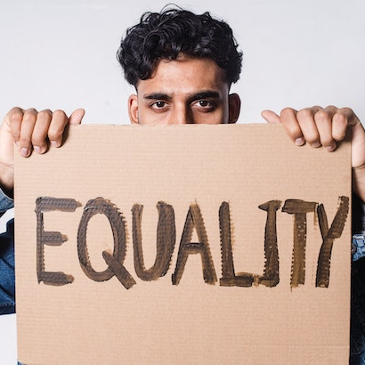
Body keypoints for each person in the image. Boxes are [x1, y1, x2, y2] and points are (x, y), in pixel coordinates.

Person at [1, 7, 365, 364]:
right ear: (134, 112)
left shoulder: (284, 218)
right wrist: (4, 178)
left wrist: (362, 180)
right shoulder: (87, 223)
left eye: (204, 103)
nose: (182, 125)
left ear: (232, 109)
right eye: (159, 103)